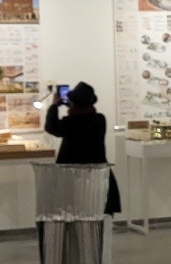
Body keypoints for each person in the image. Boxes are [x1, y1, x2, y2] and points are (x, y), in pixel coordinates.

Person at [43, 81, 121, 215]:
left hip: (73, 176)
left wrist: (54, 105)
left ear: (73, 104)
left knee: (74, 213)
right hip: (97, 175)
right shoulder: (100, 120)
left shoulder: (69, 123)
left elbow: (51, 127)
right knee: (97, 213)